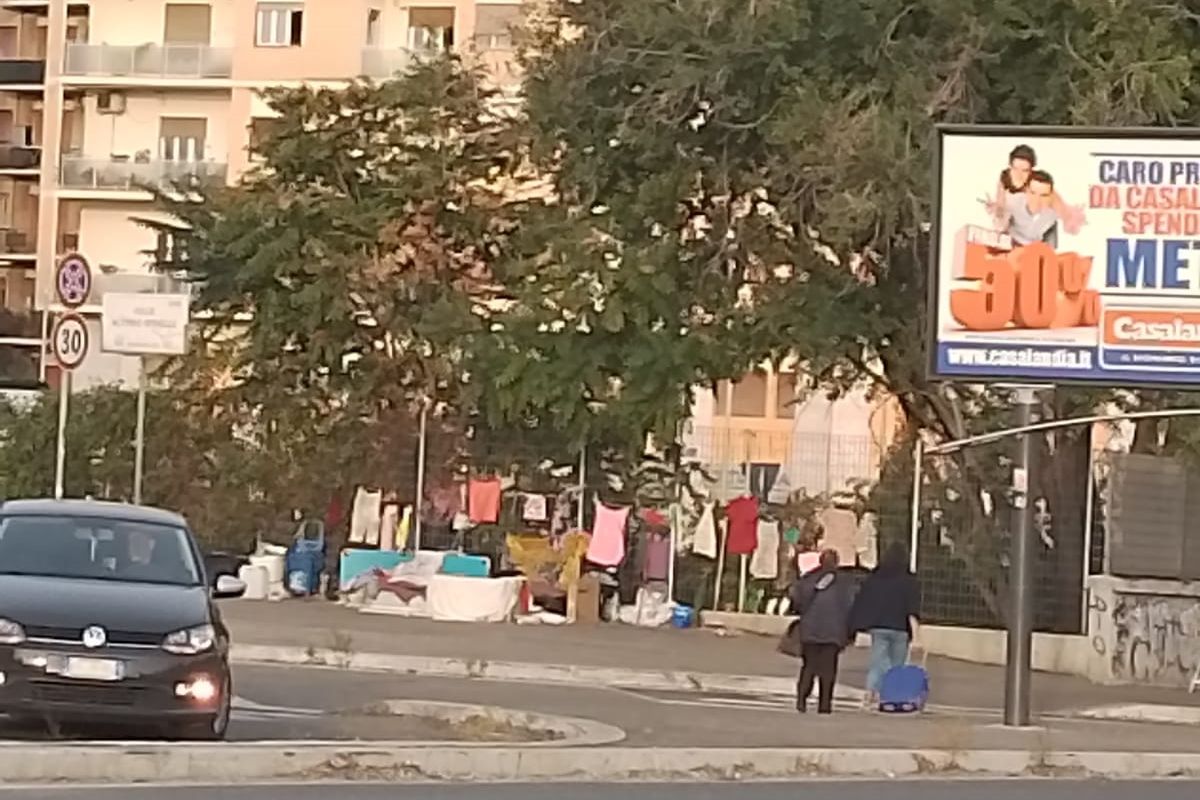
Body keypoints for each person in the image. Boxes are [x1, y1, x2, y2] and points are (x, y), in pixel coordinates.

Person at [851, 542, 922, 706]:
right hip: (901, 629)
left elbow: (864, 601)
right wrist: (917, 636)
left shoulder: (876, 578)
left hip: (879, 626)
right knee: (898, 665)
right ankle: (892, 695)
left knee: (877, 663)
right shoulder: (909, 580)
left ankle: (870, 694)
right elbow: (912, 609)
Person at [788, 548, 856, 714]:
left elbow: (797, 602)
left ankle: (802, 698)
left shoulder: (808, 579)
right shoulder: (845, 584)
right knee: (828, 669)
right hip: (833, 632)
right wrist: (850, 632)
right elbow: (850, 607)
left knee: (809, 666)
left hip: (810, 631)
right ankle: (825, 704)